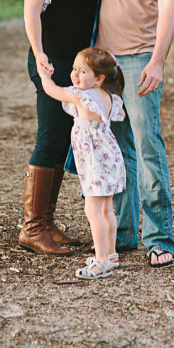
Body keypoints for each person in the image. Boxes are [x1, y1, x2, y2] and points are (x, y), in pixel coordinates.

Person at [97, 0, 174, 268]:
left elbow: (168, 7)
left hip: (140, 59)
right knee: (116, 148)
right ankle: (124, 232)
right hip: (105, 62)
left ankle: (160, 238)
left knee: (148, 147)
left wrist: (158, 62)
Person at [15, 0, 102, 255]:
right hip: (52, 61)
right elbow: (32, 10)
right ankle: (32, 228)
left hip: (76, 66)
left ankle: (46, 222)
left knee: (65, 139)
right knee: (51, 136)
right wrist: (39, 57)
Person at [35, 48, 126, 279]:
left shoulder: (82, 95)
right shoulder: (110, 97)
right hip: (110, 159)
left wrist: (45, 75)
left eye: (82, 71)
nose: (75, 75)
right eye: (74, 69)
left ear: (99, 78)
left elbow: (51, 90)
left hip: (96, 162)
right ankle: (112, 253)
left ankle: (102, 261)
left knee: (92, 209)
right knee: (107, 208)